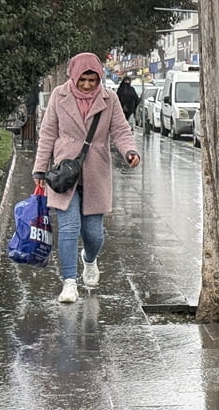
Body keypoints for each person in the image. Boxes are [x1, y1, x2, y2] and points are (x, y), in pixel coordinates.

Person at [33, 53, 141, 304]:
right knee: (69, 229)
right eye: (83, 80)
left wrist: (130, 151)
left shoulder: (109, 98)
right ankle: (69, 283)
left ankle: (89, 259)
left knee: (95, 235)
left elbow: (121, 130)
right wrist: (39, 169)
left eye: (93, 80)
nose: (87, 85)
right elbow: (47, 134)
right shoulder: (59, 96)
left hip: (95, 173)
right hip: (63, 175)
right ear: (74, 76)